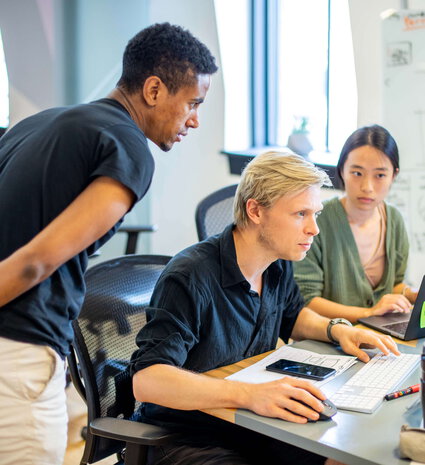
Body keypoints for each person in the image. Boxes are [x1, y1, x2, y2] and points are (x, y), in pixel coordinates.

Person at [0, 22, 217, 465]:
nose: (195, 119)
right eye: (192, 103)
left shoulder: (39, 124)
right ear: (154, 89)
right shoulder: (128, 146)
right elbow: (35, 262)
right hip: (18, 353)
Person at [129, 151, 399, 465]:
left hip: (249, 422)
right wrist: (250, 394)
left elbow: (292, 315)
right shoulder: (189, 277)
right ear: (256, 211)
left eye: (316, 214)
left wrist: (338, 330)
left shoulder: (276, 263)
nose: (314, 229)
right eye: (300, 214)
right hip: (185, 434)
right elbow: (148, 380)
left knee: (347, 455)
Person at [293, 124, 417, 323]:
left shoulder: (394, 219)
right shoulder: (316, 220)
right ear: (342, 170)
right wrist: (369, 313)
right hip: (327, 340)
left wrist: (412, 295)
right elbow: (306, 301)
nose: (367, 187)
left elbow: (394, 284)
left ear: (394, 175)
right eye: (357, 173)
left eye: (380, 175)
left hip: (381, 337)